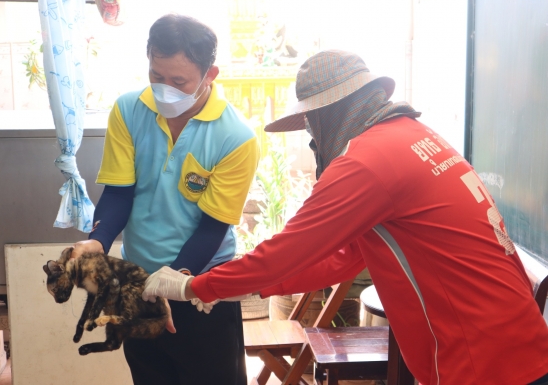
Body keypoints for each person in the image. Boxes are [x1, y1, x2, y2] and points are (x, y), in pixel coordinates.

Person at [143, 50, 548, 385]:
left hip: (479, 360)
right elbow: (344, 257)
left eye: (311, 123)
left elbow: (288, 251)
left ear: (329, 114)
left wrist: (195, 286)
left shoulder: (366, 162)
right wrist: (235, 287)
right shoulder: (414, 136)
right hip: (515, 343)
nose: (312, 137)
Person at [72, 13, 258, 385]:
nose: (164, 89)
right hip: (139, 285)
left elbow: (213, 227)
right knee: (150, 375)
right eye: (156, 76)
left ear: (210, 75)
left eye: (179, 81)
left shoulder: (236, 137)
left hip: (202, 288)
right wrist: (98, 240)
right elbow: (120, 193)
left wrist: (175, 281)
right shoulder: (129, 110)